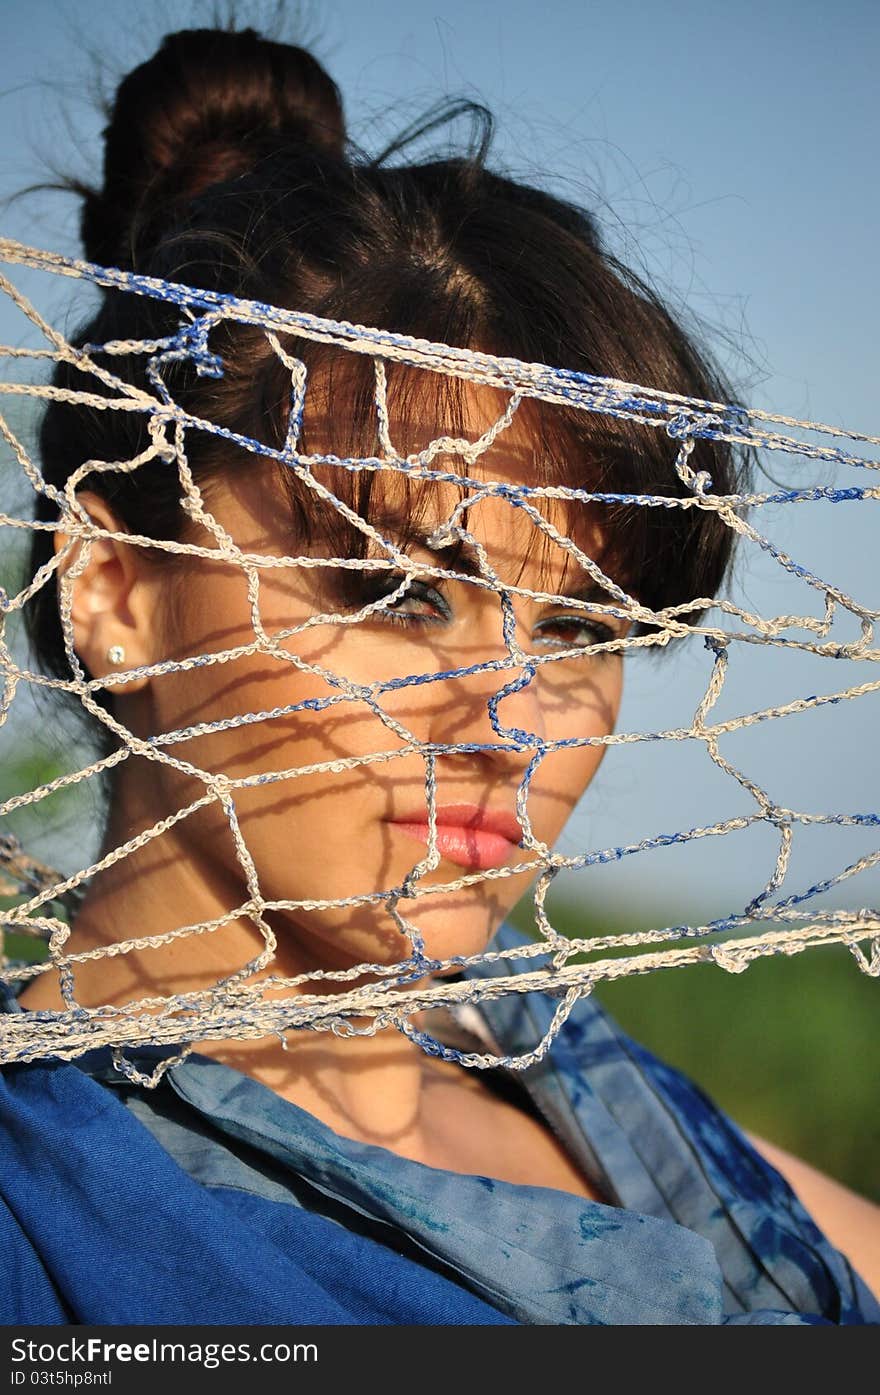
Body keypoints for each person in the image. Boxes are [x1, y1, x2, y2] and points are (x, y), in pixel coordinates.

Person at [1, 24, 877, 1326]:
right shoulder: (55, 1233)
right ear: (116, 587)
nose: (516, 730)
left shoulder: (594, 1088)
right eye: (401, 591)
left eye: (585, 627)